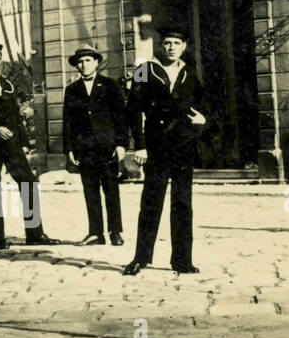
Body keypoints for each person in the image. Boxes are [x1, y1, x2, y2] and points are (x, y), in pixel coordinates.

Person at [123, 27, 209, 276]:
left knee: (182, 203)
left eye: (176, 43)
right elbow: (132, 109)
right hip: (156, 145)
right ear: (161, 46)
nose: (171, 47)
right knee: (151, 201)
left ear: (184, 46)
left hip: (183, 146)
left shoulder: (190, 72)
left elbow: (204, 104)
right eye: (167, 43)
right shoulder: (144, 70)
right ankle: (141, 258)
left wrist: (205, 119)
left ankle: (182, 260)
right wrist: (139, 145)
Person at [0, 42, 60, 247]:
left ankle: (35, 234)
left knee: (28, 182)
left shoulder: (7, 84)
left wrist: (24, 142)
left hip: (12, 145)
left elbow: (16, 116)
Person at [62, 44, 129, 246]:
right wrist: (69, 148)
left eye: (88, 60)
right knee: (90, 191)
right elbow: (68, 122)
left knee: (111, 190)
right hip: (85, 149)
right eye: (80, 62)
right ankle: (95, 233)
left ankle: (115, 231)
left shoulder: (110, 85)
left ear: (97, 62)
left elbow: (121, 117)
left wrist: (121, 144)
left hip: (107, 147)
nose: (84, 65)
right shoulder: (72, 90)